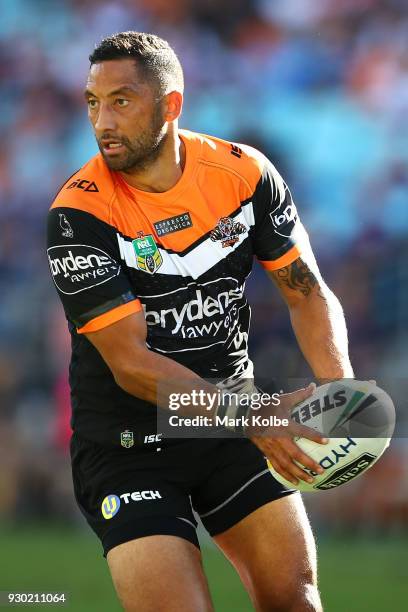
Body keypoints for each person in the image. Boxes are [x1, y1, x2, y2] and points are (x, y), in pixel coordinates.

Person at [47, 31, 353, 612]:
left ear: (170, 104)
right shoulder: (78, 213)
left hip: (228, 426)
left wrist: (340, 386)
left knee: (298, 602)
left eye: (122, 100)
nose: (102, 120)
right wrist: (258, 415)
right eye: (92, 101)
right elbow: (134, 366)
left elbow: (307, 293)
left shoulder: (244, 175)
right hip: (128, 444)